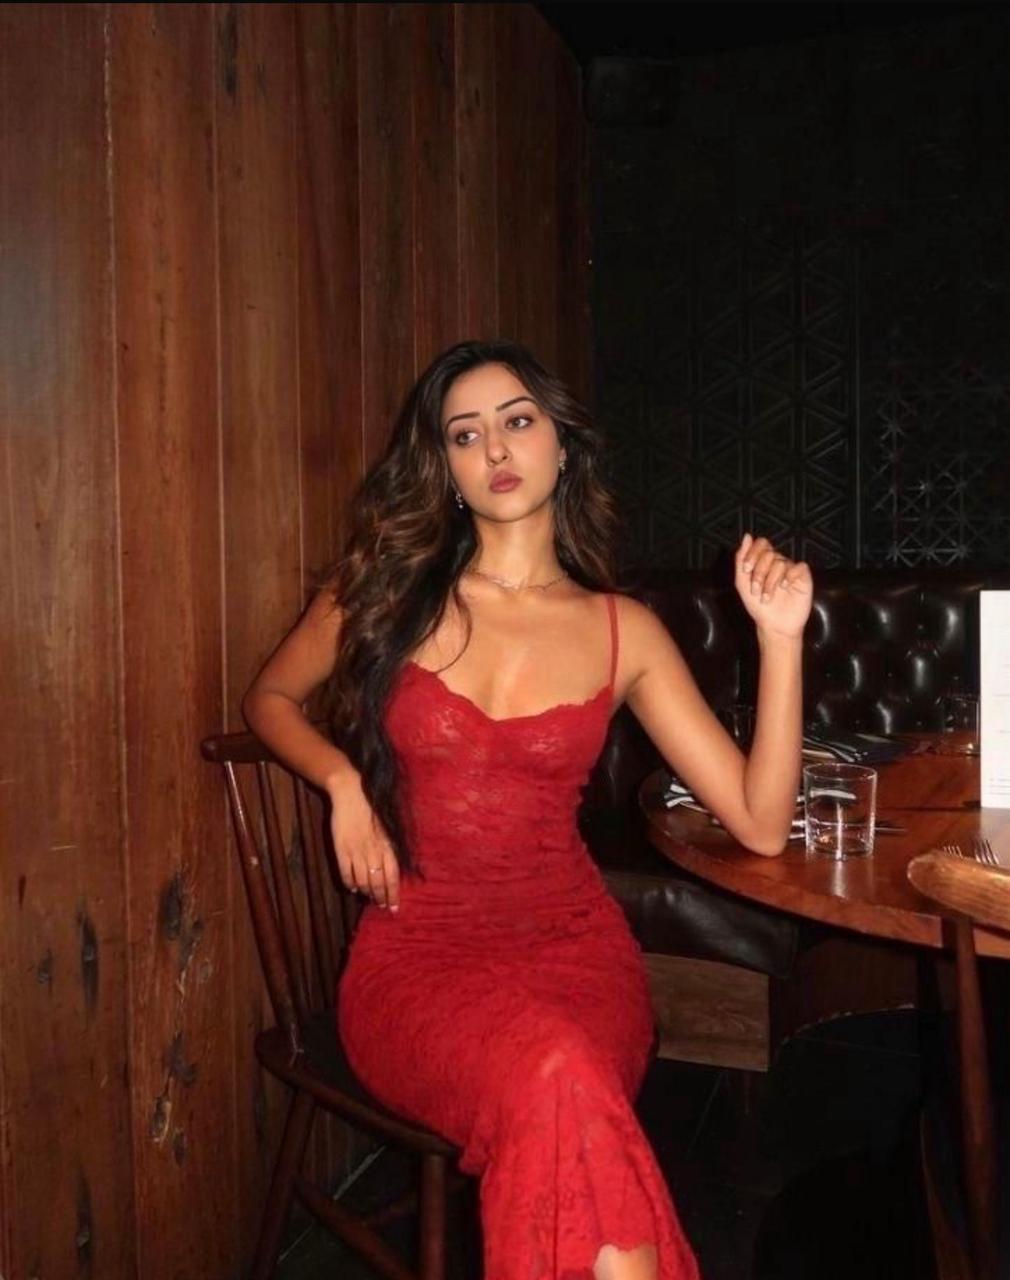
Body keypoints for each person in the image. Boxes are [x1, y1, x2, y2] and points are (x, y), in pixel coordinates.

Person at [243, 339, 813, 1280]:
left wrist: (781, 643)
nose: (496, 449)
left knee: (561, 1077)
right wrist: (341, 782)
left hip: (576, 953)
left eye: (517, 421)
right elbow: (268, 698)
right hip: (415, 958)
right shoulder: (383, 593)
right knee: (558, 1080)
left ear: (562, 445)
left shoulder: (623, 630)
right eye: (465, 435)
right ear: (446, 469)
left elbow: (758, 822)